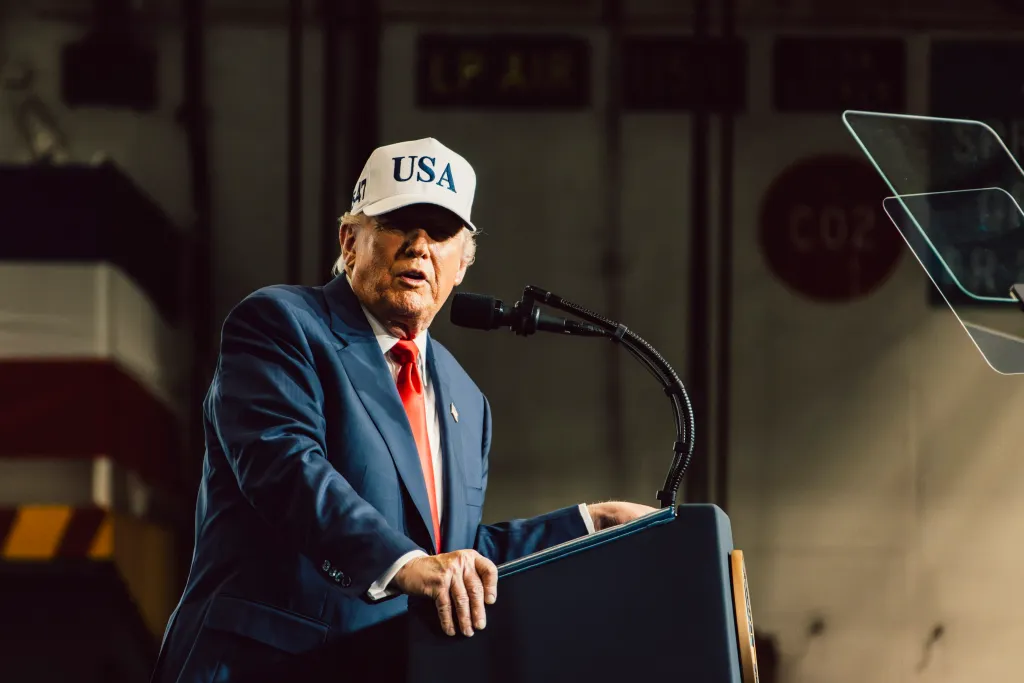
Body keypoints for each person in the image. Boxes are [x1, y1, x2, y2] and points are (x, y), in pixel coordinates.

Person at [152, 137, 656, 683]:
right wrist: (408, 565)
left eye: (440, 232)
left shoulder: (466, 400)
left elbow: (453, 556)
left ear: (461, 264)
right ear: (350, 241)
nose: (419, 245)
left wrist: (591, 524)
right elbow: (285, 467)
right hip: (266, 665)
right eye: (398, 224)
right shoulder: (282, 323)